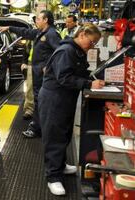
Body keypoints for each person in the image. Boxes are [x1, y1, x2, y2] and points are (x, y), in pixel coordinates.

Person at [39, 23, 104, 196]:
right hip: (54, 98)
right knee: (54, 136)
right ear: (82, 34)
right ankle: (53, 177)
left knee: (64, 133)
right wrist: (89, 84)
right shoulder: (66, 51)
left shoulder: (77, 51)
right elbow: (64, 78)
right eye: (91, 42)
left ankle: (60, 164)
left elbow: (78, 72)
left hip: (64, 98)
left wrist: (93, 78)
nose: (92, 46)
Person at [0, 10, 61, 138]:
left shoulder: (52, 34)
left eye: (38, 19)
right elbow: (25, 32)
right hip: (37, 73)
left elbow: (60, 52)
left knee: (41, 101)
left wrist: (48, 67)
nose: (36, 21)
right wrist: (9, 28)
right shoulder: (40, 32)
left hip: (44, 75)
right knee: (39, 100)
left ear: (46, 20)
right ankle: (39, 128)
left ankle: (36, 129)